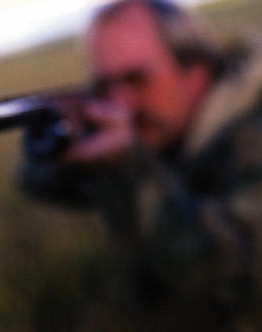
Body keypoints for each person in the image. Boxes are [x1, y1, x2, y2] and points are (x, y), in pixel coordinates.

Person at [20, 0, 262, 330]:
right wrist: (65, 140)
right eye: (105, 87)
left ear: (196, 74)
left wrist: (129, 167)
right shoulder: (162, 132)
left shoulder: (251, 135)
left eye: (136, 80)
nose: (121, 104)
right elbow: (39, 184)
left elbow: (239, 284)